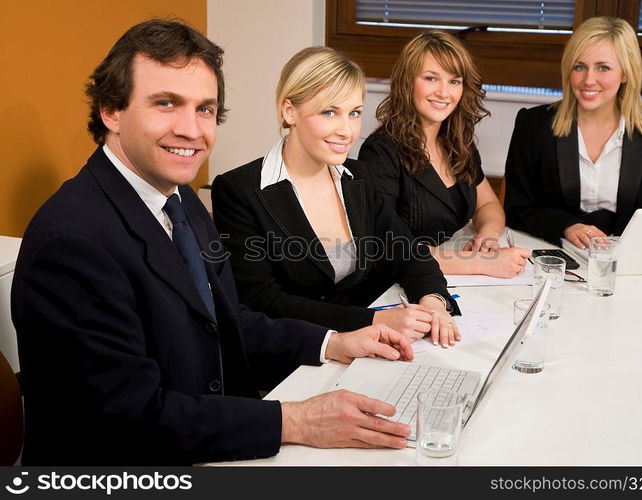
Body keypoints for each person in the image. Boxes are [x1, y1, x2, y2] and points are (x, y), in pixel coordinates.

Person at [11, 19, 416, 466]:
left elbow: (227, 320)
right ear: (111, 110)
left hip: (207, 435)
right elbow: (128, 418)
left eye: (205, 109)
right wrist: (295, 421)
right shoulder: (72, 242)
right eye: (166, 103)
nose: (192, 129)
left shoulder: (178, 197)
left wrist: (333, 342)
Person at [212, 46, 459, 348]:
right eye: (330, 112)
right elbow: (264, 301)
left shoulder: (359, 177)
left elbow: (407, 252)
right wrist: (373, 321)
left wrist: (434, 303)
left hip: (371, 344)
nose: (347, 131)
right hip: (299, 354)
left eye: (354, 113)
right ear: (290, 111)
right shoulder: (239, 190)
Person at [358, 30, 530, 278]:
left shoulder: (457, 142)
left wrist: (487, 236)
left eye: (454, 81)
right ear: (408, 82)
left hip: (452, 274)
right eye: (431, 78)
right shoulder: (380, 152)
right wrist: (480, 263)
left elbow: (489, 205)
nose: (444, 92)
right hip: (397, 283)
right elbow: (389, 247)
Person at [504, 16, 642, 248]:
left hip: (621, 258)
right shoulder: (534, 126)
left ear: (625, 73)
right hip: (551, 251)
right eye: (580, 67)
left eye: (603, 68)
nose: (588, 80)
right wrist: (566, 225)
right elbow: (517, 209)